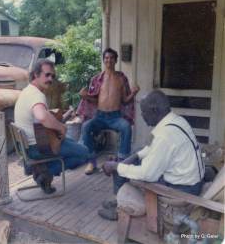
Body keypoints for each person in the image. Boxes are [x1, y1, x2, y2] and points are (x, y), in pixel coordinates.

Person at [98, 90, 205, 220]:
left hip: (181, 191)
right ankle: (119, 199)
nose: (142, 115)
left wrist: (116, 166)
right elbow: (154, 148)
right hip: (190, 183)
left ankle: (120, 210)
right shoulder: (177, 120)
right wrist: (135, 156)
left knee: (121, 168)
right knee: (133, 156)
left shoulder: (165, 136)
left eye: (143, 111)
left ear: (154, 110)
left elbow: (147, 174)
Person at [14, 59, 92, 193]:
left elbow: (43, 115)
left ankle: (41, 169)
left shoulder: (27, 91)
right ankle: (46, 173)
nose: (50, 79)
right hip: (39, 148)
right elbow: (42, 116)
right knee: (84, 153)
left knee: (70, 142)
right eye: (47, 75)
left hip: (27, 147)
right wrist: (61, 127)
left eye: (53, 76)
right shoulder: (36, 95)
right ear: (35, 75)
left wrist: (57, 121)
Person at [77, 48, 140, 179]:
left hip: (115, 117)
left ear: (116, 60)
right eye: (106, 58)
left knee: (126, 127)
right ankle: (92, 161)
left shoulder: (121, 78)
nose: (109, 60)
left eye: (111, 58)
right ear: (103, 60)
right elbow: (93, 99)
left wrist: (133, 93)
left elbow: (125, 100)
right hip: (100, 116)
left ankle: (122, 162)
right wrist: (85, 96)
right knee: (86, 127)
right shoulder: (97, 79)